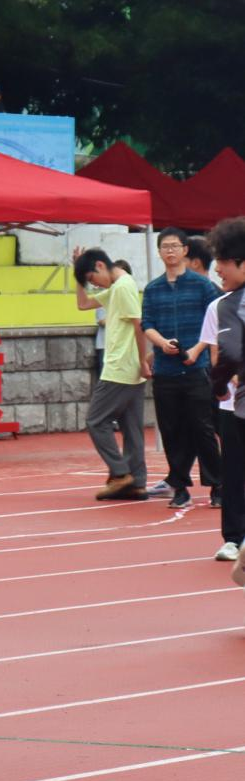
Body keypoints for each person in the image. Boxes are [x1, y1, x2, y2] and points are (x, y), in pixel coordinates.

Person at [141, 227, 223, 508]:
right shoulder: (153, 288)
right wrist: (162, 344)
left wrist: (197, 351)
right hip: (165, 371)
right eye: (165, 246)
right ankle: (179, 487)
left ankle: (217, 485)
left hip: (196, 369)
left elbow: (214, 323)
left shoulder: (202, 286)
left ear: (185, 250)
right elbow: (147, 324)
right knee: (172, 431)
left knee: (203, 429)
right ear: (159, 252)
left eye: (175, 246)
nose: (170, 251)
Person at [74, 248, 151, 501]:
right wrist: (77, 276)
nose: (94, 284)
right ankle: (136, 483)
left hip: (120, 367)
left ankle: (120, 473)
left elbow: (138, 325)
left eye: (92, 278)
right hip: (129, 367)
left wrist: (143, 360)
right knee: (131, 427)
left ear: (100, 265)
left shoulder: (123, 287)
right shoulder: (117, 287)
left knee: (96, 421)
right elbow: (83, 304)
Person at [195, 221, 245, 560]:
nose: (218, 270)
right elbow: (218, 354)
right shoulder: (219, 306)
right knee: (234, 471)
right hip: (232, 407)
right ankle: (233, 538)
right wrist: (222, 384)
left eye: (224, 262)